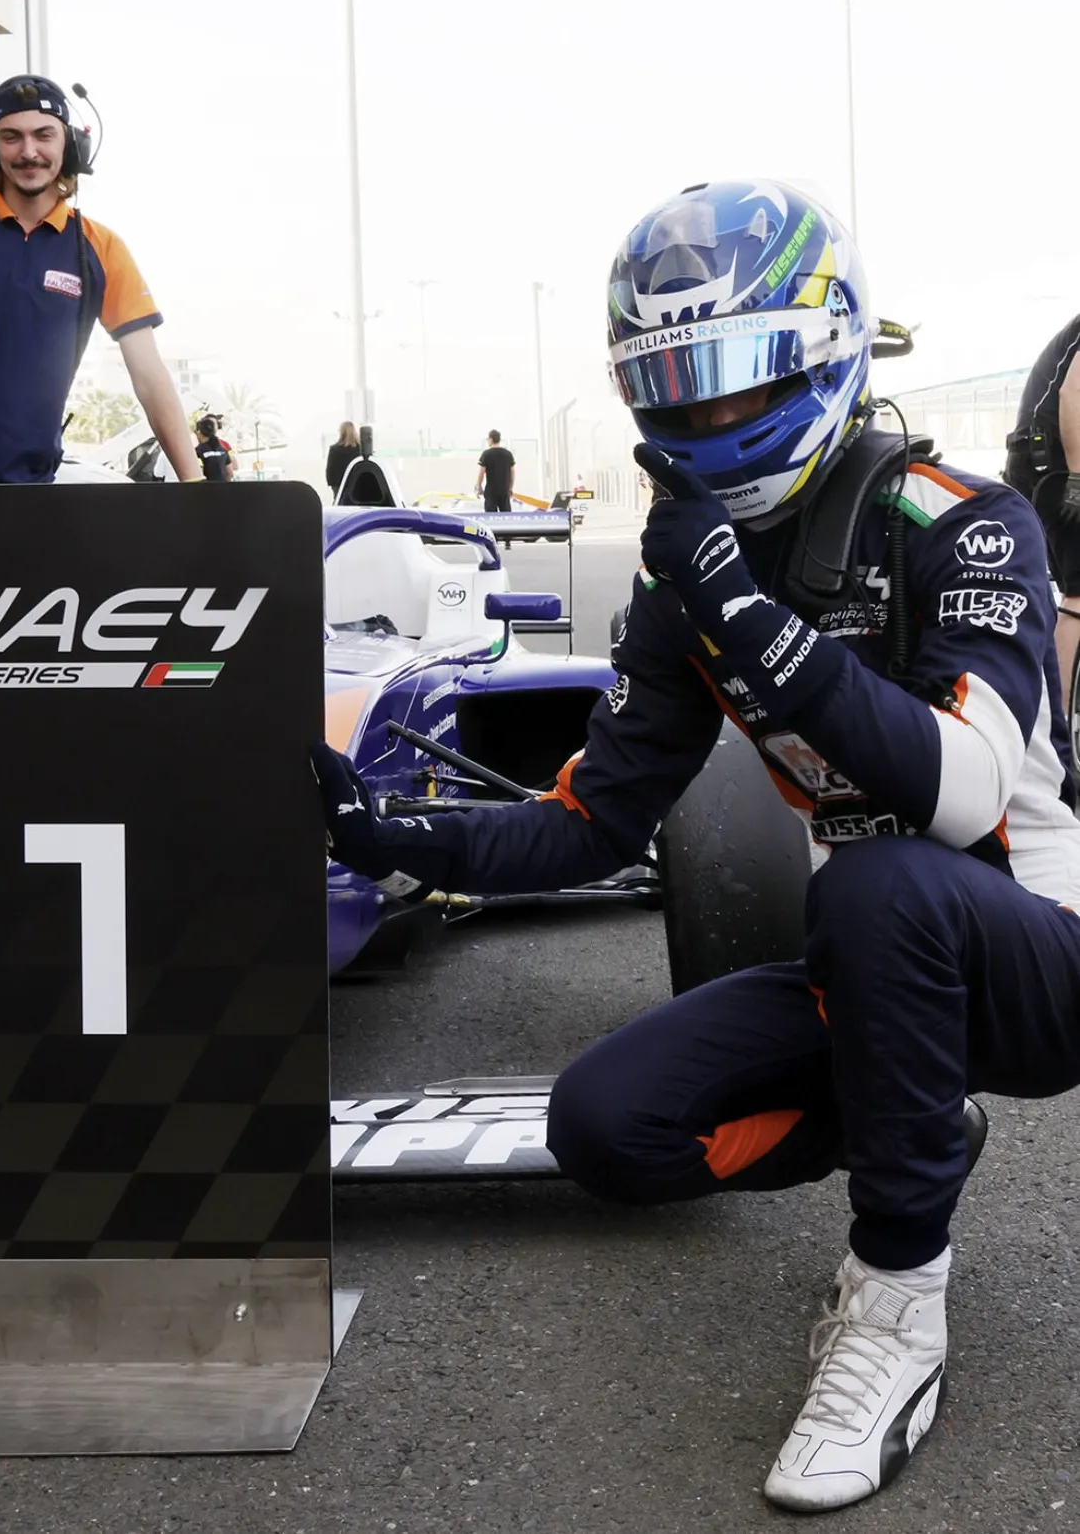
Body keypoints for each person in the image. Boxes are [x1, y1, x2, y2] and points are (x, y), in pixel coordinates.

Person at [312, 180, 1080, 1512]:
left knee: (882, 878)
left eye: (741, 380)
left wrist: (738, 605)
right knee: (606, 1127)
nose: (712, 419)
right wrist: (392, 838)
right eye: (679, 388)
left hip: (1041, 964)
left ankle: (897, 1295)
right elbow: (592, 819)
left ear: (823, 350)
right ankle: (915, 1119)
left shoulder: (960, 518)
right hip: (873, 969)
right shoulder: (684, 582)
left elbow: (961, 795)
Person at [0, 74, 201, 485]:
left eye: (44, 135)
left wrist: (197, 489)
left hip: (28, 489)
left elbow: (149, 376)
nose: (29, 152)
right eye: (11, 137)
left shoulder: (100, 248)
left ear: (70, 146)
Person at [1004, 322, 1080, 715]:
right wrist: (1078, 479)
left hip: (1047, 456)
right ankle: (1061, 726)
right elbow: (1073, 391)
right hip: (1053, 461)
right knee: (1079, 593)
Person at [475, 429, 515, 512]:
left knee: (490, 516)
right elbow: (513, 473)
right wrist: (511, 487)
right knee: (506, 515)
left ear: (491, 439)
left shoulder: (486, 454)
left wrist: (479, 487)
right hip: (504, 490)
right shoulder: (508, 454)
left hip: (491, 491)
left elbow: (481, 473)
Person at [195, 414, 237, 481]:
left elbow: (199, 474)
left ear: (199, 432)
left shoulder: (198, 451)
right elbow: (230, 473)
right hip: (222, 486)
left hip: (207, 486)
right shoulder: (224, 449)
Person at [325, 420, 361, 497]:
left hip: (338, 484)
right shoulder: (361, 450)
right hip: (358, 483)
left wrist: (331, 483)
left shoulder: (334, 449)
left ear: (341, 432)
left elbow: (330, 468)